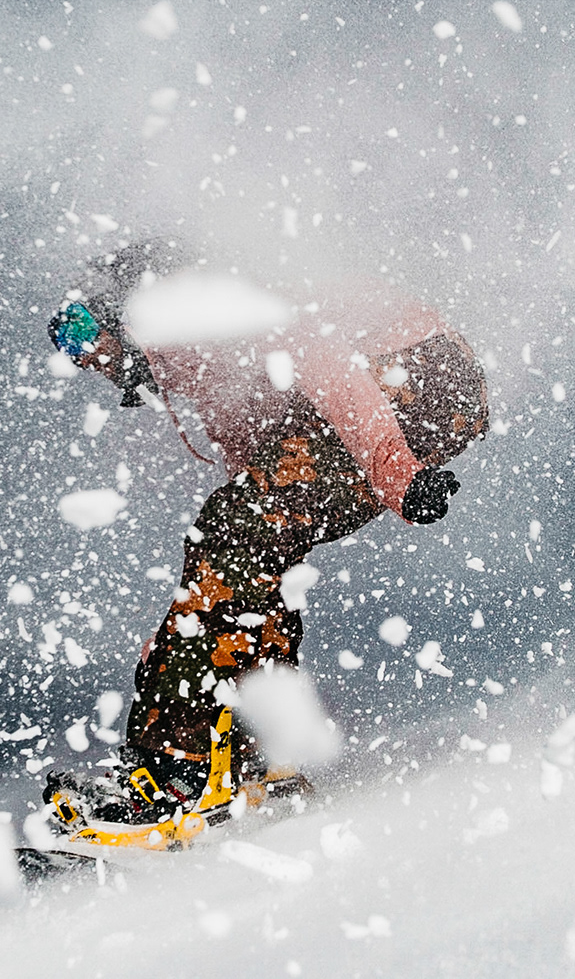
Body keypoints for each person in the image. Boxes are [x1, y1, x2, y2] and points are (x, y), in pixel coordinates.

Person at [38, 241, 488, 852]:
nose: (85, 356)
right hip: (402, 385)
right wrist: (214, 586)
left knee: (232, 531)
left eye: (85, 329)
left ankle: (176, 774)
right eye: (68, 340)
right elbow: (258, 454)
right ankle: (253, 752)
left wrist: (397, 473)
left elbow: (328, 368)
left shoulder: (195, 318)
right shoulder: (183, 355)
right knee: (239, 541)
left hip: (417, 382)